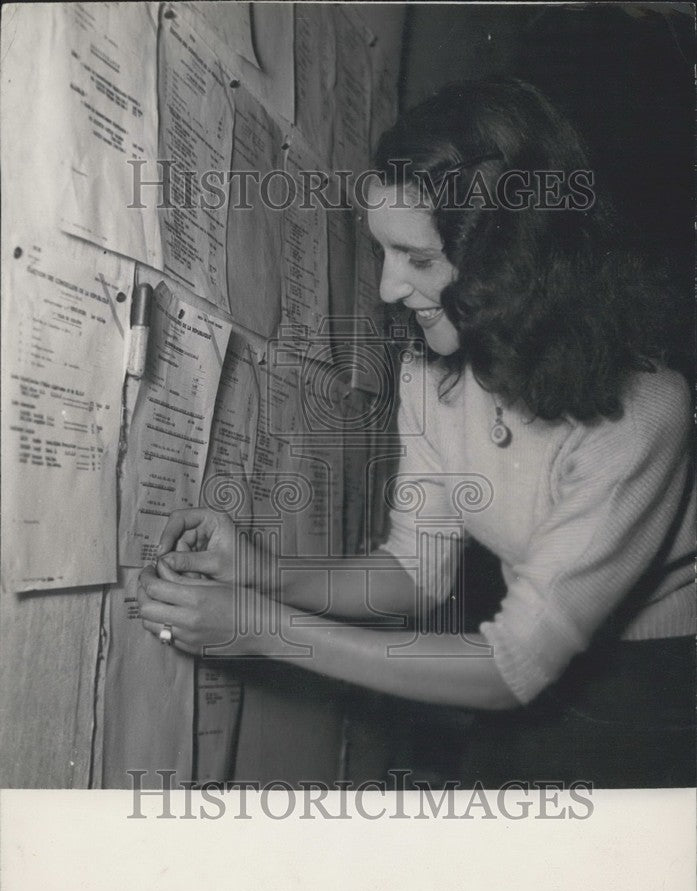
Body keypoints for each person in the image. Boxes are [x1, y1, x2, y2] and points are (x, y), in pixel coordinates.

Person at [138, 78, 695, 787]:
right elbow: (413, 574)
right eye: (383, 253)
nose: (387, 289)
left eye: (418, 259)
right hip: (521, 674)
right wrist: (262, 575)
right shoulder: (431, 371)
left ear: (513, 257)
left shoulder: (646, 409)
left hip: (653, 695)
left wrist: (260, 629)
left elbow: (506, 669)